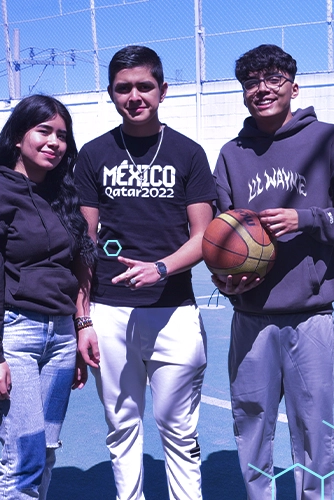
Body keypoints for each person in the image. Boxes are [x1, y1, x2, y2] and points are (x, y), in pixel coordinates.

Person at [211, 44, 334, 500]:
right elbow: (219, 235)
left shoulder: (329, 140)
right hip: (251, 316)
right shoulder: (232, 154)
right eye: (251, 82)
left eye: (273, 79)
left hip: (310, 316)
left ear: (294, 87)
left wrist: (305, 219)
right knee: (251, 422)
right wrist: (223, 278)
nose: (261, 89)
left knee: (313, 428)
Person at [73, 45, 216, 500]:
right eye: (123, 88)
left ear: (162, 90)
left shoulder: (188, 153)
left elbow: (204, 235)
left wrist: (161, 268)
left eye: (144, 86)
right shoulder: (93, 154)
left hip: (173, 310)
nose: (134, 96)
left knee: (179, 428)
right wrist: (83, 319)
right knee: (122, 426)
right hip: (109, 311)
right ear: (111, 93)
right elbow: (83, 243)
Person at [0, 94, 94, 500]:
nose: (55, 142)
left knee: (46, 451)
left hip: (60, 337)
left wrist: (78, 330)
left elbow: (74, 269)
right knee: (24, 456)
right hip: (13, 334)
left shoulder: (62, 195)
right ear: (18, 137)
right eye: (44, 131)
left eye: (62, 136)